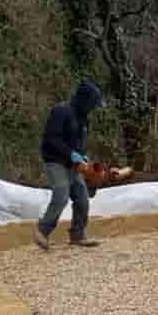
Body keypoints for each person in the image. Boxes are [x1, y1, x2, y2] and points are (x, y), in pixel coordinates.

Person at [35, 79, 104, 250]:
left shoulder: (83, 118)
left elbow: (79, 144)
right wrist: (72, 155)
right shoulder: (60, 111)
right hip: (55, 161)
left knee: (82, 198)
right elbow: (52, 139)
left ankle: (78, 235)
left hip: (72, 163)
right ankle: (42, 231)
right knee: (61, 195)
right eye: (92, 104)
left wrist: (83, 157)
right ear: (84, 100)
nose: (93, 108)